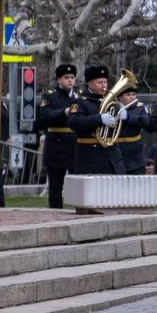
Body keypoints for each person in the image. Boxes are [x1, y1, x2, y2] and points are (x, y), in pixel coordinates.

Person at [66, 65, 127, 176]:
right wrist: (99, 119)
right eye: (100, 82)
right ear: (89, 83)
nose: (104, 86)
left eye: (105, 82)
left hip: (112, 157)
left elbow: (119, 128)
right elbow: (73, 122)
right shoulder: (80, 101)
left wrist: (125, 117)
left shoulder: (112, 101)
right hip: (90, 157)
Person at [36, 64, 77, 207]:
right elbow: (45, 116)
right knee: (55, 186)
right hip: (56, 145)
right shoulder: (49, 95)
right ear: (59, 79)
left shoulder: (79, 95)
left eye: (72, 77)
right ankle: (55, 213)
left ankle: (81, 213)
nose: (70, 80)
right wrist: (63, 112)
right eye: (66, 78)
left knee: (80, 183)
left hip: (75, 145)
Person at [112, 84, 151, 176]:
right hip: (117, 151)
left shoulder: (140, 107)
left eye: (133, 94)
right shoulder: (113, 108)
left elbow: (145, 121)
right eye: (128, 95)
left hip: (135, 154)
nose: (132, 97)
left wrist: (128, 117)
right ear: (120, 98)